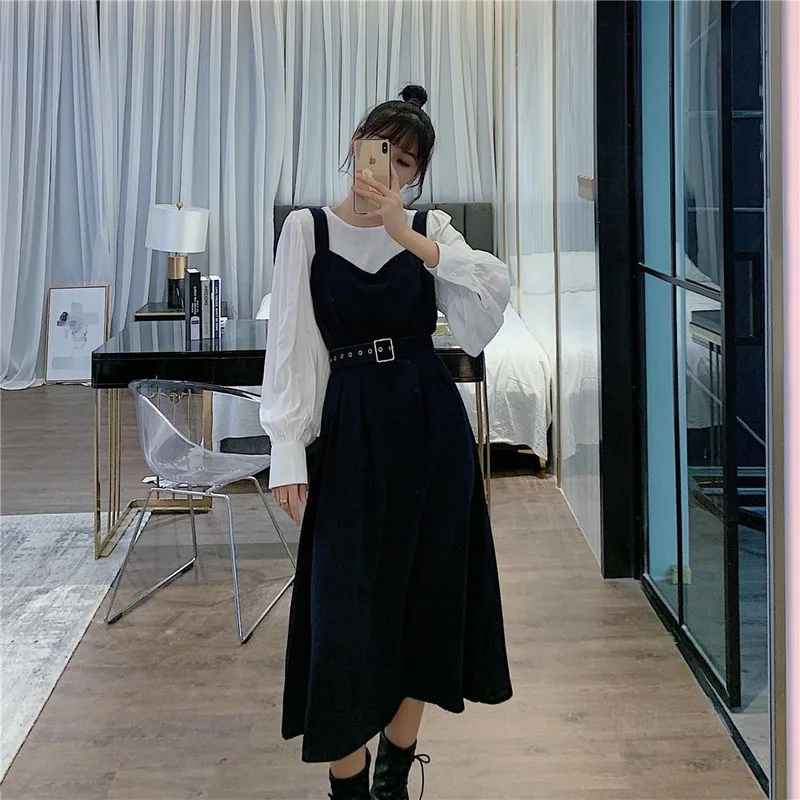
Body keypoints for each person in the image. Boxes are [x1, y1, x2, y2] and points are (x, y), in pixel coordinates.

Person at [260, 84, 513, 800]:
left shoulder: (430, 230)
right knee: (341, 611)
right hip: (349, 433)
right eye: (383, 152)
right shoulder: (307, 230)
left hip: (429, 430)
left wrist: (411, 238)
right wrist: (287, 452)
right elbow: (290, 348)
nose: (390, 170)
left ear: (417, 175)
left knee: (425, 601)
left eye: (406, 163)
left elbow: (489, 305)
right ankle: (347, 783)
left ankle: (394, 775)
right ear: (356, 146)